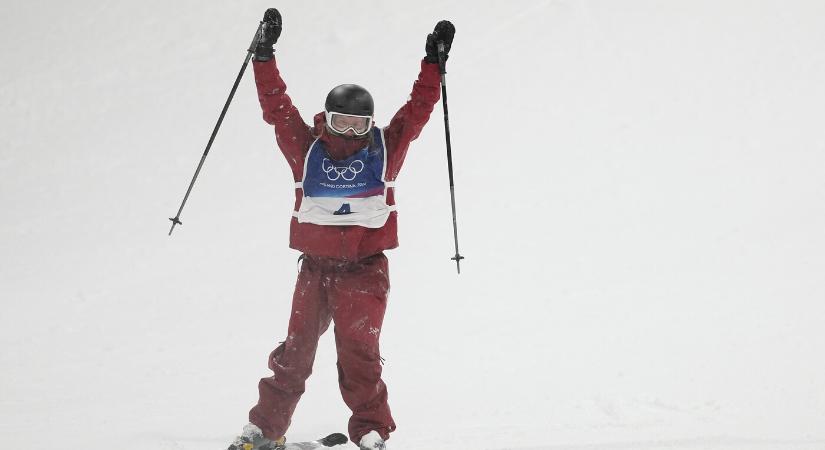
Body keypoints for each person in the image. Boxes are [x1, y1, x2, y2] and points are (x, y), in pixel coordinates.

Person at [226, 8, 455, 450]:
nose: (350, 133)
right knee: (295, 353)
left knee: (359, 354)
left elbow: (418, 110)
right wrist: (263, 57)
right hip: (314, 270)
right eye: (341, 123)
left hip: (365, 272)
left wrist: (433, 65)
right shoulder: (306, 150)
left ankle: (370, 430)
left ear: (371, 126)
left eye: (359, 126)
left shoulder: (385, 151)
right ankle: (265, 428)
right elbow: (277, 107)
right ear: (325, 119)